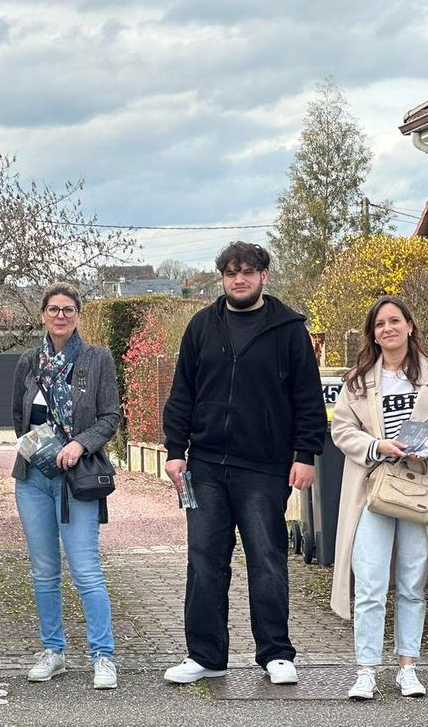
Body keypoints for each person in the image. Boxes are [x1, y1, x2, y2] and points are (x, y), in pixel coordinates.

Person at [161, 242, 327, 686]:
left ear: (264, 276)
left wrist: (305, 454)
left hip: (265, 467)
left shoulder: (289, 329)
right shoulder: (201, 327)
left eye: (248, 271)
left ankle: (275, 653)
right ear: (222, 278)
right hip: (207, 466)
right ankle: (205, 656)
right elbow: (181, 395)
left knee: (267, 559)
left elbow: (308, 399)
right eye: (231, 272)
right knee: (204, 562)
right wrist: (175, 451)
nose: (240, 279)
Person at [330, 295, 428, 700]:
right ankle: (366, 669)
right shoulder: (358, 380)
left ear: (410, 326)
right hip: (373, 488)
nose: (387, 329)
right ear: (373, 335)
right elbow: (342, 430)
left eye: (395, 321)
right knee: (370, 582)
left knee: (412, 583)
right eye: (379, 325)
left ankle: (408, 666)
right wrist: (378, 445)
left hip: (420, 489)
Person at [10, 282, 121, 690]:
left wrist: (79, 443)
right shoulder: (27, 362)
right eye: (54, 309)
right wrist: (37, 450)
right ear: (42, 314)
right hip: (34, 479)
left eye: (68, 309)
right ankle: (53, 651)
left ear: (77, 315)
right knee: (43, 571)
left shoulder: (97, 359)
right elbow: (18, 418)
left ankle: (103, 656)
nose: (60, 315)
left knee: (86, 571)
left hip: (79, 480)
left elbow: (110, 416)